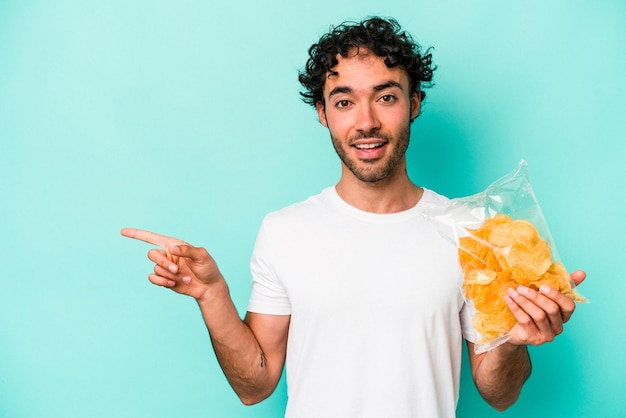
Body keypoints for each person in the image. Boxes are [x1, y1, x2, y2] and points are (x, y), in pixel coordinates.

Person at [121, 17, 586, 417]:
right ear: (324, 113)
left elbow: (498, 394)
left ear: (414, 104)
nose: (365, 121)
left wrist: (514, 341)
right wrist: (212, 295)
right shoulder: (285, 231)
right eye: (344, 102)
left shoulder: (468, 231)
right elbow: (254, 385)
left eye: (386, 97)